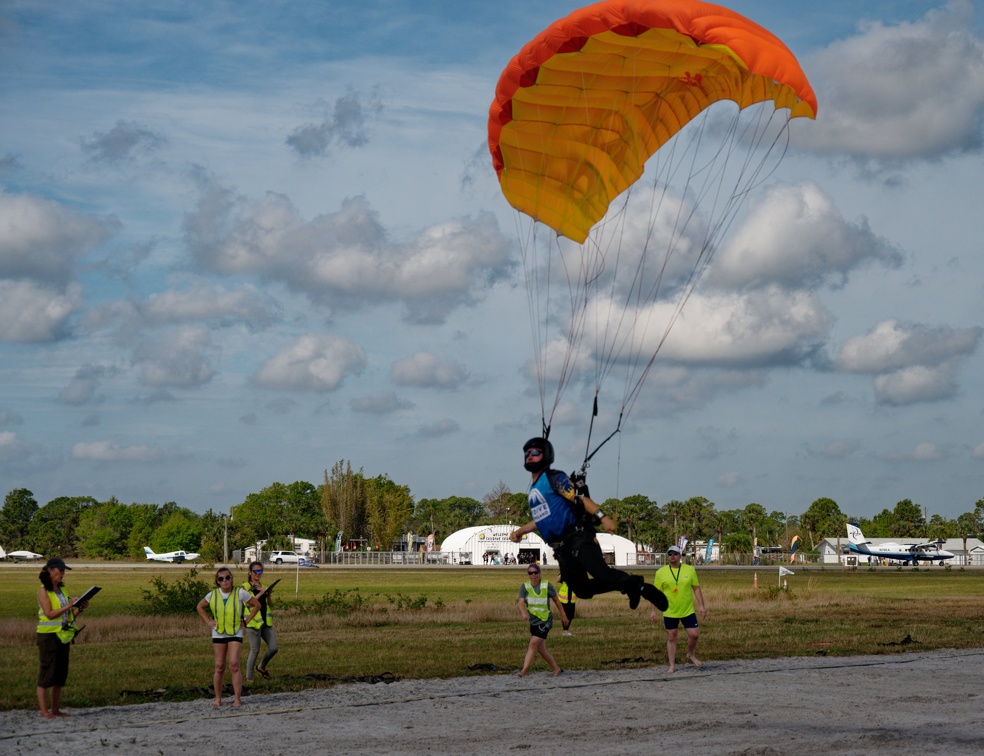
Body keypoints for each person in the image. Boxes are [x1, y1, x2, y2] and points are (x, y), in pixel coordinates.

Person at [509, 437, 667, 612]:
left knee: (603, 575)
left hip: (578, 538)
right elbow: (542, 519)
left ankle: (642, 587)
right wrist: (520, 531)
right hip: (561, 549)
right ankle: (629, 585)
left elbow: (581, 499)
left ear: (545, 455)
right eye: (527, 453)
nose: (529, 456)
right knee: (582, 590)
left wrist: (603, 518)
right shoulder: (533, 489)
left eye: (535, 452)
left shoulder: (554, 478)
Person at [196, 567, 261, 707]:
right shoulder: (212, 595)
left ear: (231, 579)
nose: (225, 581)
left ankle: (237, 698)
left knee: (234, 664)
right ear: (218, 581)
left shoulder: (240, 593)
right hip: (219, 632)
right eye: (221, 578)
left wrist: (246, 621)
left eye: (227, 577)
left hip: (235, 632)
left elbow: (257, 605)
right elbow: (200, 607)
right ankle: (218, 699)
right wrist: (208, 621)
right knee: (219, 666)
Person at [36, 557, 88, 719]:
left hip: (63, 636)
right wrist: (69, 605)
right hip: (48, 637)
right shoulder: (43, 591)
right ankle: (44, 711)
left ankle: (56, 709)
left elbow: (68, 616)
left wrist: (80, 608)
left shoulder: (63, 590)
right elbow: (50, 614)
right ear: (50, 571)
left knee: (60, 674)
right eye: (60, 570)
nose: (63, 574)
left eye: (64, 571)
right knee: (47, 673)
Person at [651, 544, 707, 673]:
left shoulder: (690, 570)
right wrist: (653, 611)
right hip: (670, 610)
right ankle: (672, 665)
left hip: (687, 609)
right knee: (672, 636)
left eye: (675, 554)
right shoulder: (661, 572)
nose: (672, 556)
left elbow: (696, 588)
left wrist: (702, 606)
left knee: (694, 634)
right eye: (670, 554)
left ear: (680, 556)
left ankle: (690, 654)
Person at [517, 563, 567, 677]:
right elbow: (520, 602)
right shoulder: (524, 587)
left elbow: (557, 601)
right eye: (531, 573)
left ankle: (524, 670)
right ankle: (556, 668)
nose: (533, 575)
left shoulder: (546, 585)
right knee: (541, 649)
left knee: (533, 644)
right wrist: (524, 613)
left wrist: (563, 615)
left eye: (536, 572)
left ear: (540, 574)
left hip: (545, 620)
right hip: (533, 622)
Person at [241, 561, 279, 683]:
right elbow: (248, 603)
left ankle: (261, 666)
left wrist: (267, 595)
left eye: (260, 571)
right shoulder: (245, 587)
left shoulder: (263, 586)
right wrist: (261, 593)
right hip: (252, 622)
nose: (258, 574)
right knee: (255, 650)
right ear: (250, 572)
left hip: (265, 622)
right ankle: (249, 677)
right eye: (255, 571)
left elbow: (270, 605)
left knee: (274, 647)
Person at [556, 571, 577, 636]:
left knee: (571, 615)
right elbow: (557, 580)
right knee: (565, 615)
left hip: (572, 598)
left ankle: (566, 631)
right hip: (564, 598)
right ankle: (565, 631)